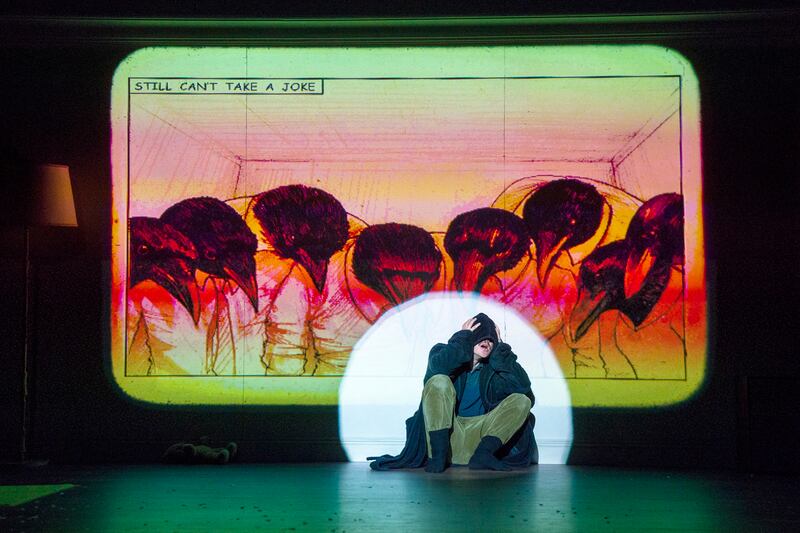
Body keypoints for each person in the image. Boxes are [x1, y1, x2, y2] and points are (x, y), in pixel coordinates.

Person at [369, 312, 537, 472]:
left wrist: (500, 349)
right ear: (470, 337)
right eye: (482, 336)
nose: (488, 341)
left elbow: (524, 388)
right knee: (439, 381)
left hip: (480, 438)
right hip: (448, 436)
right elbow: (438, 370)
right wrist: (463, 337)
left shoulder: (494, 369)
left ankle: (483, 455)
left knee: (522, 399)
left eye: (492, 339)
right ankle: (438, 456)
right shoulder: (441, 352)